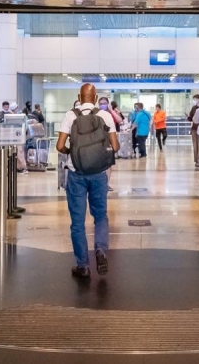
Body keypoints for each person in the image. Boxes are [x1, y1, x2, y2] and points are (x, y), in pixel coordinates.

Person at [57, 84, 119, 278]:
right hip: (99, 174)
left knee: (77, 221)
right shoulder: (105, 116)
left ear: (78, 96)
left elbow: (60, 146)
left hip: (76, 174)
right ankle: (100, 250)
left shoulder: (70, 115)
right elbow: (115, 146)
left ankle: (83, 265)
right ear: (96, 97)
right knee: (100, 216)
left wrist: (72, 155)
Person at [188, 94, 199, 168]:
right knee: (195, 144)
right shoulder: (193, 108)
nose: (194, 101)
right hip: (194, 128)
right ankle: (196, 159)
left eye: (195, 99)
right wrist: (188, 117)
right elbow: (191, 117)